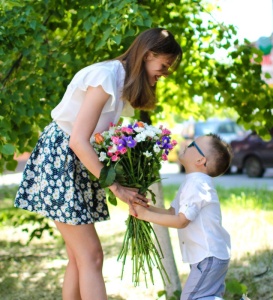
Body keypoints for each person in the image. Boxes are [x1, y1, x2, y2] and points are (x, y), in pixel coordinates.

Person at [14, 28, 182, 300]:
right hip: (62, 159)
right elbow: (78, 141)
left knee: (79, 257)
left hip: (76, 161)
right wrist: (116, 188)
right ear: (149, 54)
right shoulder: (105, 77)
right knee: (91, 256)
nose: (164, 73)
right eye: (164, 65)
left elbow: (95, 142)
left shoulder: (120, 83)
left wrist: (128, 183)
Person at [130, 133, 232, 300]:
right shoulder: (192, 182)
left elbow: (181, 221)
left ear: (200, 161)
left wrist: (145, 215)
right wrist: (145, 208)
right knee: (204, 296)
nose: (187, 144)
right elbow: (172, 213)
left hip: (208, 256)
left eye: (193, 145)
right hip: (209, 256)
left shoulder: (197, 184)